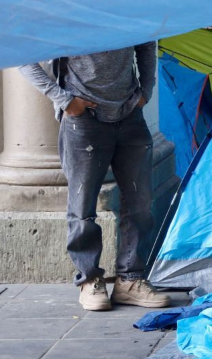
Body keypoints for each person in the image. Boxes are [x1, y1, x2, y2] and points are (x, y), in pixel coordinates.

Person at [19, 45, 171, 312]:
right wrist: (63, 100)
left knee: (141, 204)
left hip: (130, 114)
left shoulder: (129, 17)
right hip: (84, 119)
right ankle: (89, 280)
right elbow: (22, 55)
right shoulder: (66, 19)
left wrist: (146, 91)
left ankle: (131, 280)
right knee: (82, 207)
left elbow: (147, 44)